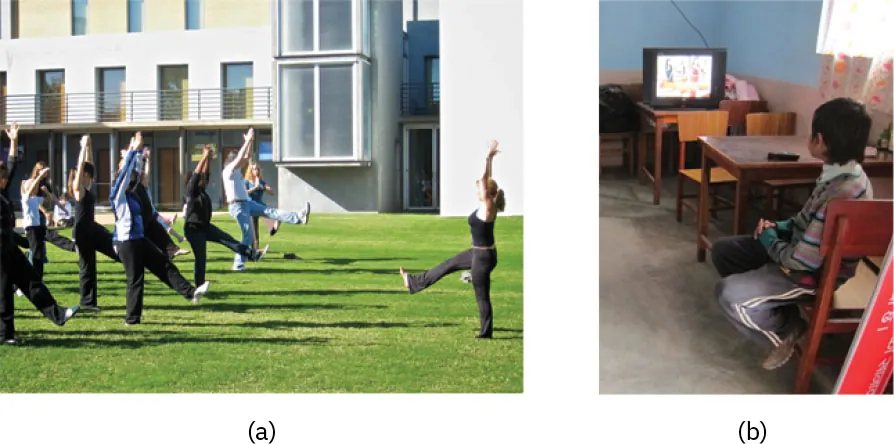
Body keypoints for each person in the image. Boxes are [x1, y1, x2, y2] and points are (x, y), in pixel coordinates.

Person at [711, 97, 874, 371]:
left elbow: (802, 262)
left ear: (819, 140)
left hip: (815, 273)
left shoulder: (842, 193)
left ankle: (786, 329)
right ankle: (775, 306)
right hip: (804, 252)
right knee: (725, 250)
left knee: (728, 295)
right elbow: (804, 221)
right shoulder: (841, 173)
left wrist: (770, 240)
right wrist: (781, 228)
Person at [399, 141, 505, 339]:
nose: (478, 191)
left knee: (482, 295)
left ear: (487, 193)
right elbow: (486, 180)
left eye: (480, 189)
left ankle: (486, 332)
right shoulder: (485, 205)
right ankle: (413, 282)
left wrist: (487, 160)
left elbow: (484, 179)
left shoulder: (489, 207)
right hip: (477, 252)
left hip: (484, 257)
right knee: (447, 265)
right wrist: (489, 161)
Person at [111, 133, 209, 326]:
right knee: (135, 280)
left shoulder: (132, 192)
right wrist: (134, 150)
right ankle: (132, 320)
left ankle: (191, 292)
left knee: (163, 265)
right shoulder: (118, 194)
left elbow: (135, 172)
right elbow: (126, 174)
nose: (135, 178)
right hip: (126, 243)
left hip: (138, 239)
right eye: (132, 177)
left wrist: (139, 153)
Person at [1, 123, 78, 345]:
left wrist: (14, 141)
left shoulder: (3, 191)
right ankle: (6, 335)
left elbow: (12, 165)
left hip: (9, 246)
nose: (6, 179)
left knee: (32, 280)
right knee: (4, 292)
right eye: (3, 176)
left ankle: (58, 314)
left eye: (5, 176)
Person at [224, 128, 309, 271]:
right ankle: (238, 264)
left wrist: (250, 141)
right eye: (239, 160)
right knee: (248, 235)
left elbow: (247, 156)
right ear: (232, 161)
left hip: (247, 203)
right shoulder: (229, 170)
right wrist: (246, 141)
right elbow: (240, 157)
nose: (243, 162)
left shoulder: (236, 170)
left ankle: (298, 217)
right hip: (237, 206)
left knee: (271, 212)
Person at [185, 145, 269, 287]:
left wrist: (209, 160)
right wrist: (204, 156)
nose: (206, 180)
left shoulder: (202, 189)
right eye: (203, 179)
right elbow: (197, 173)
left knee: (229, 240)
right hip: (194, 229)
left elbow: (205, 173)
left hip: (205, 226)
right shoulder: (191, 190)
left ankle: (252, 254)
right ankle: (199, 287)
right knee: (201, 258)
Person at [117, 148, 189, 259]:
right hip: (137, 220)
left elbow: (145, 174)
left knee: (159, 233)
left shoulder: (140, 184)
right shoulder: (125, 186)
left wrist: (148, 159)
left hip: (148, 216)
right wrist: (130, 155)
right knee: (145, 244)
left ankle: (172, 250)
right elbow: (128, 172)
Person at [243, 162, 276, 250]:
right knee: (254, 233)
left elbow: (272, 193)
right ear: (251, 171)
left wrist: (266, 188)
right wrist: (255, 187)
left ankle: (272, 229)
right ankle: (254, 251)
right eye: (254, 169)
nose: (256, 171)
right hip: (251, 208)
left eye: (258, 169)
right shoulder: (246, 182)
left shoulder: (261, 182)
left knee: (273, 215)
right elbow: (244, 193)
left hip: (260, 206)